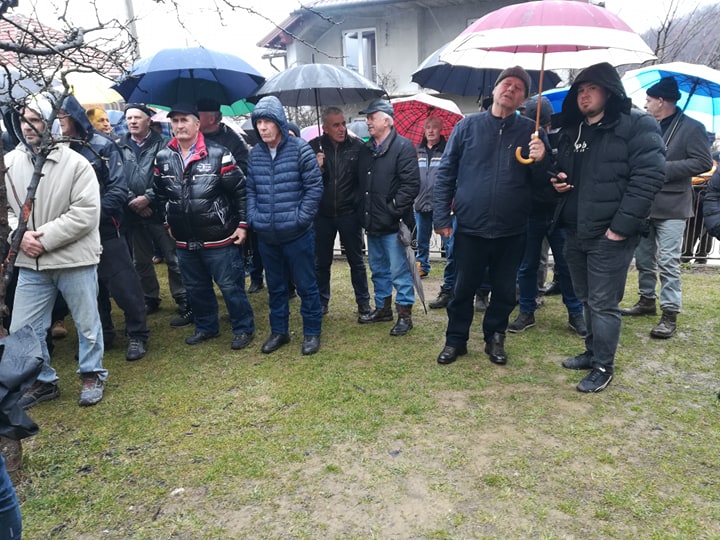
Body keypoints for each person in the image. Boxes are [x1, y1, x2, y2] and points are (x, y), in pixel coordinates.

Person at [551, 62, 665, 392]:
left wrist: (620, 228)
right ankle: (592, 352)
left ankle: (604, 365)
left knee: (603, 303)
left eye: (592, 89)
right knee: (586, 298)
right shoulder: (574, 129)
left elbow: (649, 178)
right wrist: (556, 178)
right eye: (580, 90)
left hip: (610, 233)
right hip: (575, 229)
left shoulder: (637, 124)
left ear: (610, 91)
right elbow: (564, 172)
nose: (584, 95)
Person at [433, 66, 549, 366]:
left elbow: (544, 187)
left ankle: (495, 337)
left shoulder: (532, 133)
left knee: (505, 290)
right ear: (495, 89)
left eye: (518, 88)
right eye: (506, 84)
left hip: (512, 229)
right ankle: (455, 339)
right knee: (462, 288)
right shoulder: (467, 127)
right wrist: (441, 217)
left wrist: (541, 160)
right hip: (470, 226)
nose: (511, 89)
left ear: (523, 99)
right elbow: (446, 173)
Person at [6, 94, 107, 407]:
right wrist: (18, 235)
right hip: (30, 262)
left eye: (35, 119)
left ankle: (91, 374)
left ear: (50, 121)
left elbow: (86, 213)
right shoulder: (9, 164)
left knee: (86, 322)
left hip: (73, 258)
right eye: (23, 119)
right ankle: (41, 380)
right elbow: (6, 209)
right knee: (23, 327)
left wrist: (43, 239)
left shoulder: (76, 164)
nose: (27, 126)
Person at [153, 103, 255, 349]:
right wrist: (167, 221)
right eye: (175, 121)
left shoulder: (219, 154)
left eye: (184, 120)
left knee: (230, 286)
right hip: (184, 238)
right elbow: (160, 195)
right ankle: (206, 327)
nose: (179, 125)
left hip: (219, 237)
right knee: (196, 287)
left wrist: (242, 225)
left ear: (197, 124)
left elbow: (241, 192)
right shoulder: (163, 157)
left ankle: (243, 328)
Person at [57, 95, 150, 361]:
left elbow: (118, 188)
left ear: (74, 116)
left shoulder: (102, 145)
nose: (58, 121)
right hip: (72, 233)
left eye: (62, 116)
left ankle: (138, 334)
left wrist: (88, 218)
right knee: (89, 288)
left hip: (106, 228)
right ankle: (103, 334)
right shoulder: (56, 149)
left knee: (124, 284)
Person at [620, 77, 713, 338]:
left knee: (669, 260)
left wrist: (664, 169)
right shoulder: (646, 125)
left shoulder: (693, 128)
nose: (645, 104)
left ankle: (670, 312)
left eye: (649, 100)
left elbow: (703, 162)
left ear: (662, 101)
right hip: (644, 202)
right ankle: (646, 300)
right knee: (644, 258)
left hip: (673, 205)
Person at [246, 96, 324, 355]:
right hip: (267, 235)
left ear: (279, 122)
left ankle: (312, 332)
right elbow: (250, 189)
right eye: (259, 123)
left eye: (267, 122)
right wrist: (254, 217)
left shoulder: (301, 149)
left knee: (306, 285)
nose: (262, 127)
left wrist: (301, 218)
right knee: (276, 287)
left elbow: (314, 188)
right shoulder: (255, 154)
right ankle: (279, 331)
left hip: (297, 234)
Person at [509, 95, 586, 337]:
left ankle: (576, 313)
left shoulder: (565, 137)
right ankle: (526, 310)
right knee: (527, 265)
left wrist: (554, 170)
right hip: (531, 212)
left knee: (567, 265)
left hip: (559, 212)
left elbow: (570, 170)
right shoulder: (524, 139)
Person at [120, 103, 191, 326]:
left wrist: (148, 198)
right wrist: (132, 200)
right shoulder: (119, 146)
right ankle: (149, 297)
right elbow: (116, 176)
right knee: (140, 260)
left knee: (173, 257)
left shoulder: (165, 144)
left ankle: (183, 297)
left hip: (160, 210)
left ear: (148, 121)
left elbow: (171, 175)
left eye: (137, 117)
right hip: (132, 212)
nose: (132, 122)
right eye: (129, 118)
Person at [356, 99, 420, 336]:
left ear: (387, 120)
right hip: (372, 222)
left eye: (372, 117)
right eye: (367, 118)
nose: (368, 122)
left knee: (399, 271)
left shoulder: (403, 147)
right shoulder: (366, 150)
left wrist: (391, 209)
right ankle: (383, 309)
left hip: (394, 224)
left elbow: (411, 185)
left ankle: (404, 315)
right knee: (378, 269)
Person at [309, 106, 371, 316]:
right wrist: (317, 169)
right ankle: (321, 301)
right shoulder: (313, 147)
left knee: (357, 261)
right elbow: (304, 181)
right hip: (322, 215)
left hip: (349, 213)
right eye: (336, 125)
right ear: (325, 128)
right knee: (321, 262)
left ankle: (363, 302)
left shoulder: (357, 147)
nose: (342, 128)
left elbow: (364, 179)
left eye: (343, 123)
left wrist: (359, 206)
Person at [415, 116, 457, 312]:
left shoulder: (448, 151)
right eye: (428, 127)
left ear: (441, 130)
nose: (431, 131)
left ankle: (450, 279)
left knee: (449, 244)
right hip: (420, 203)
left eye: (434, 128)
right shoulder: (418, 151)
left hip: (442, 205)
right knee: (421, 239)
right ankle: (422, 266)